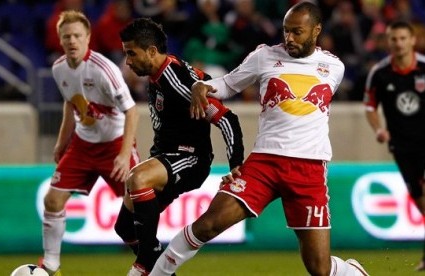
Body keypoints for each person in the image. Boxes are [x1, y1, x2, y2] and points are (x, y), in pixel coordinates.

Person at [151, 2, 369, 276]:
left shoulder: (334, 67)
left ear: (316, 31)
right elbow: (230, 84)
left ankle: (352, 272)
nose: (289, 38)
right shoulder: (264, 56)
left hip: (309, 168)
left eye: (297, 32)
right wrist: (202, 85)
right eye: (286, 31)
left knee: (319, 269)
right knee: (208, 224)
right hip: (265, 162)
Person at [117, 18, 245, 275]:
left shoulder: (175, 80)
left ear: (152, 51)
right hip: (166, 156)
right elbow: (201, 78)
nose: (128, 61)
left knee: (138, 178)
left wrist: (236, 166)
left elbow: (227, 119)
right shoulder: (160, 74)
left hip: (190, 159)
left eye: (131, 53)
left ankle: (145, 262)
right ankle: (158, 267)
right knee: (125, 227)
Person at [39, 10, 140, 276]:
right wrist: (62, 142)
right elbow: (71, 104)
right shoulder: (58, 68)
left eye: (77, 36)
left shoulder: (105, 70)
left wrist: (122, 154)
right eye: (66, 36)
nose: (72, 41)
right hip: (83, 145)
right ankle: (51, 264)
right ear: (60, 40)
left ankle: (150, 264)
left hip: (115, 144)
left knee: (138, 209)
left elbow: (132, 111)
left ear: (88, 38)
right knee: (53, 201)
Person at [364, 20, 425, 272]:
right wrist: (379, 129)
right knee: (420, 202)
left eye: (403, 38)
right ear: (388, 42)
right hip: (402, 147)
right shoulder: (380, 73)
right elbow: (369, 107)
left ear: (412, 40)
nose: (398, 43)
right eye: (393, 39)